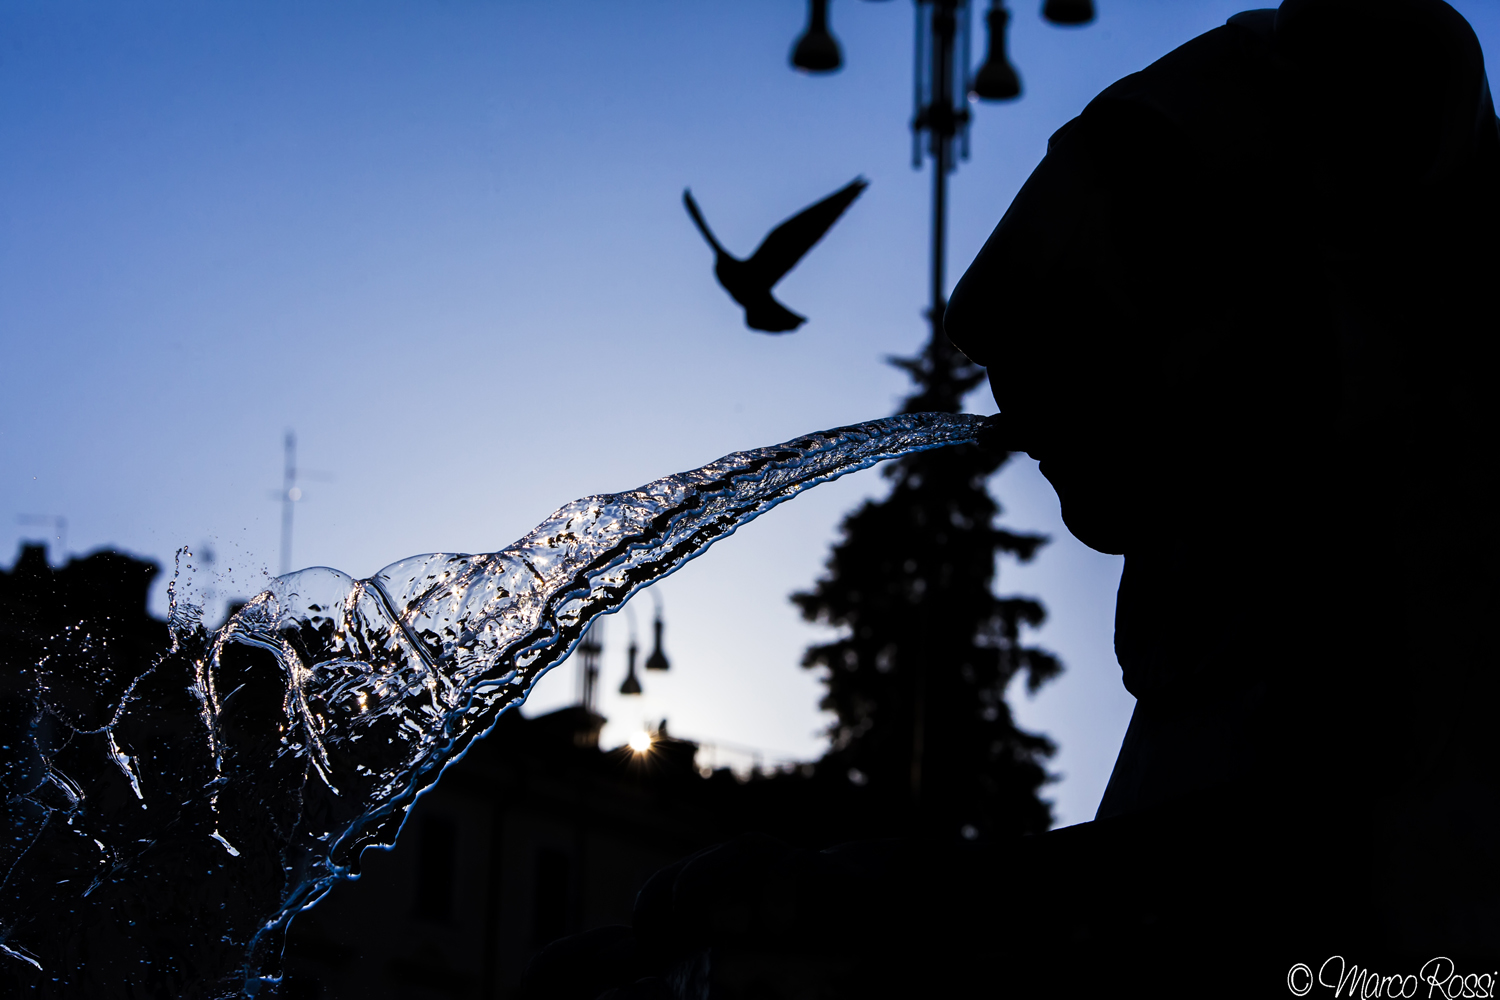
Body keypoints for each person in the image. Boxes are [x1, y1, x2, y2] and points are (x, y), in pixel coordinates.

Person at [519, 2, 1500, 994]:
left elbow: (1336, 893)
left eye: (1157, 263)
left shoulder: (1427, 588)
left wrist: (920, 910)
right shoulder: (1230, 621)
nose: (1026, 407)